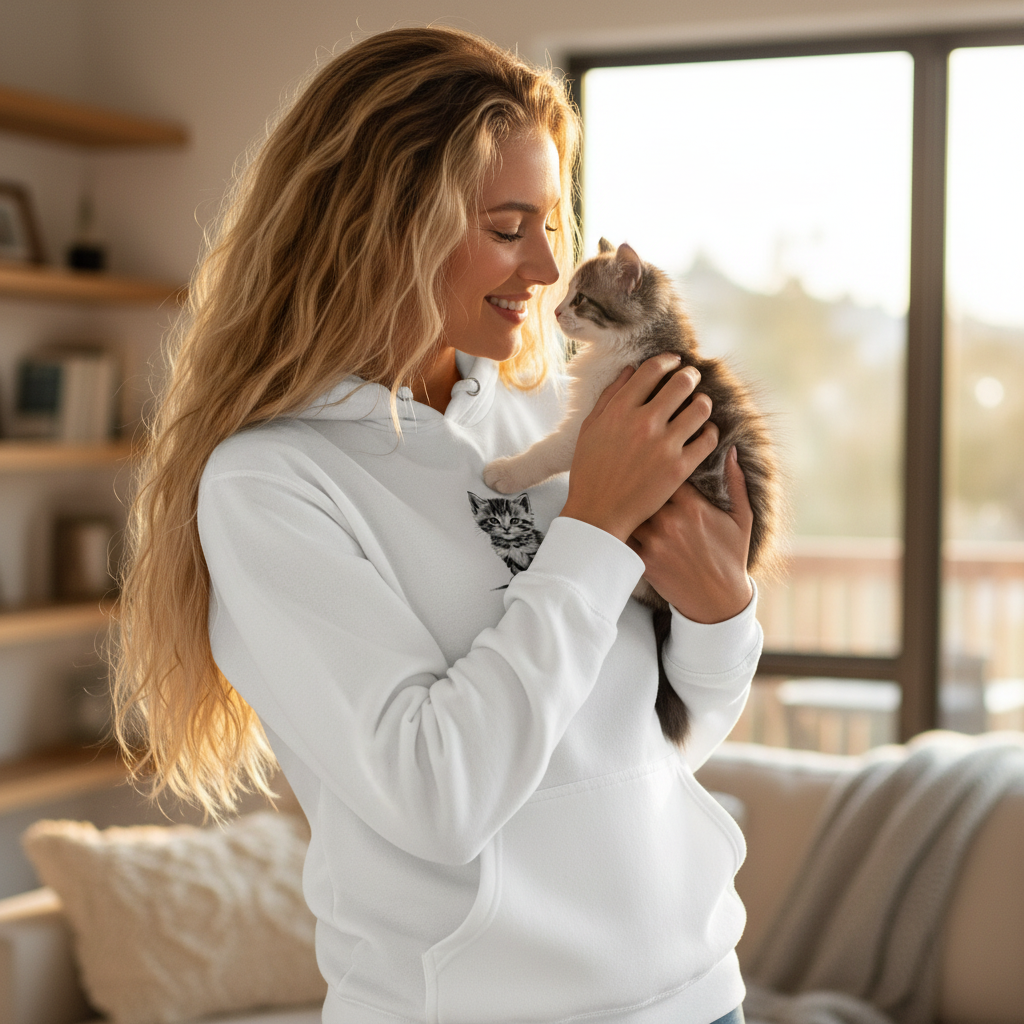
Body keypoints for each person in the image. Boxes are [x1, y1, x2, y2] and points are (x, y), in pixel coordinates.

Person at [112, 26, 760, 1024]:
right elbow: (437, 799)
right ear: (384, 228)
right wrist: (592, 532)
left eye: (552, 222)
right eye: (507, 227)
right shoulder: (270, 483)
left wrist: (719, 613)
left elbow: (664, 743)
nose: (548, 265)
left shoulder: (551, 419)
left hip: (703, 998)